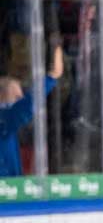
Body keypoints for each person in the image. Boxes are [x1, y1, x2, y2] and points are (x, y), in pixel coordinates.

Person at [0, 45, 62, 177]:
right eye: (16, 97)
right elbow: (25, 107)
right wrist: (51, 77)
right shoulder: (3, 119)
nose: (20, 99)